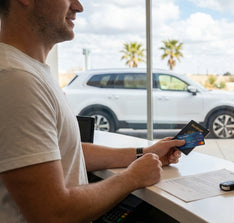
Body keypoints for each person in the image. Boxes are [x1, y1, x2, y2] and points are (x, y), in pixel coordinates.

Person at [0, 0, 185, 222]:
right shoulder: (15, 78)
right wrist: (132, 178)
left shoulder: (28, 71)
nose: (78, 6)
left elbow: (64, 152)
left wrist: (145, 153)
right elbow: (52, 213)